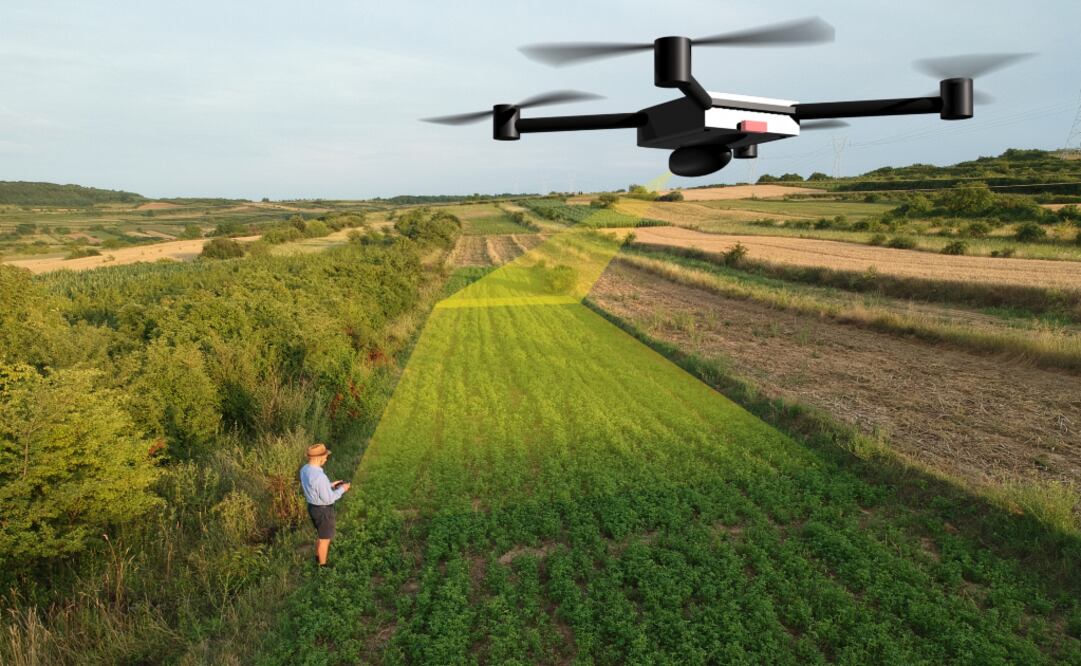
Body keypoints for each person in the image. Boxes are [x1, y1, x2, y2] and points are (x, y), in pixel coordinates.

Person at [299, 443, 350, 566]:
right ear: (318, 457)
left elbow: (314, 487)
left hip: (313, 508)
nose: (326, 458)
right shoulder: (320, 476)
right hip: (323, 510)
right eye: (325, 456)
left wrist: (330, 485)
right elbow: (329, 499)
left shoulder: (305, 469)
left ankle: (317, 557)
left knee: (321, 534)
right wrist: (343, 489)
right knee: (325, 540)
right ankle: (323, 567)